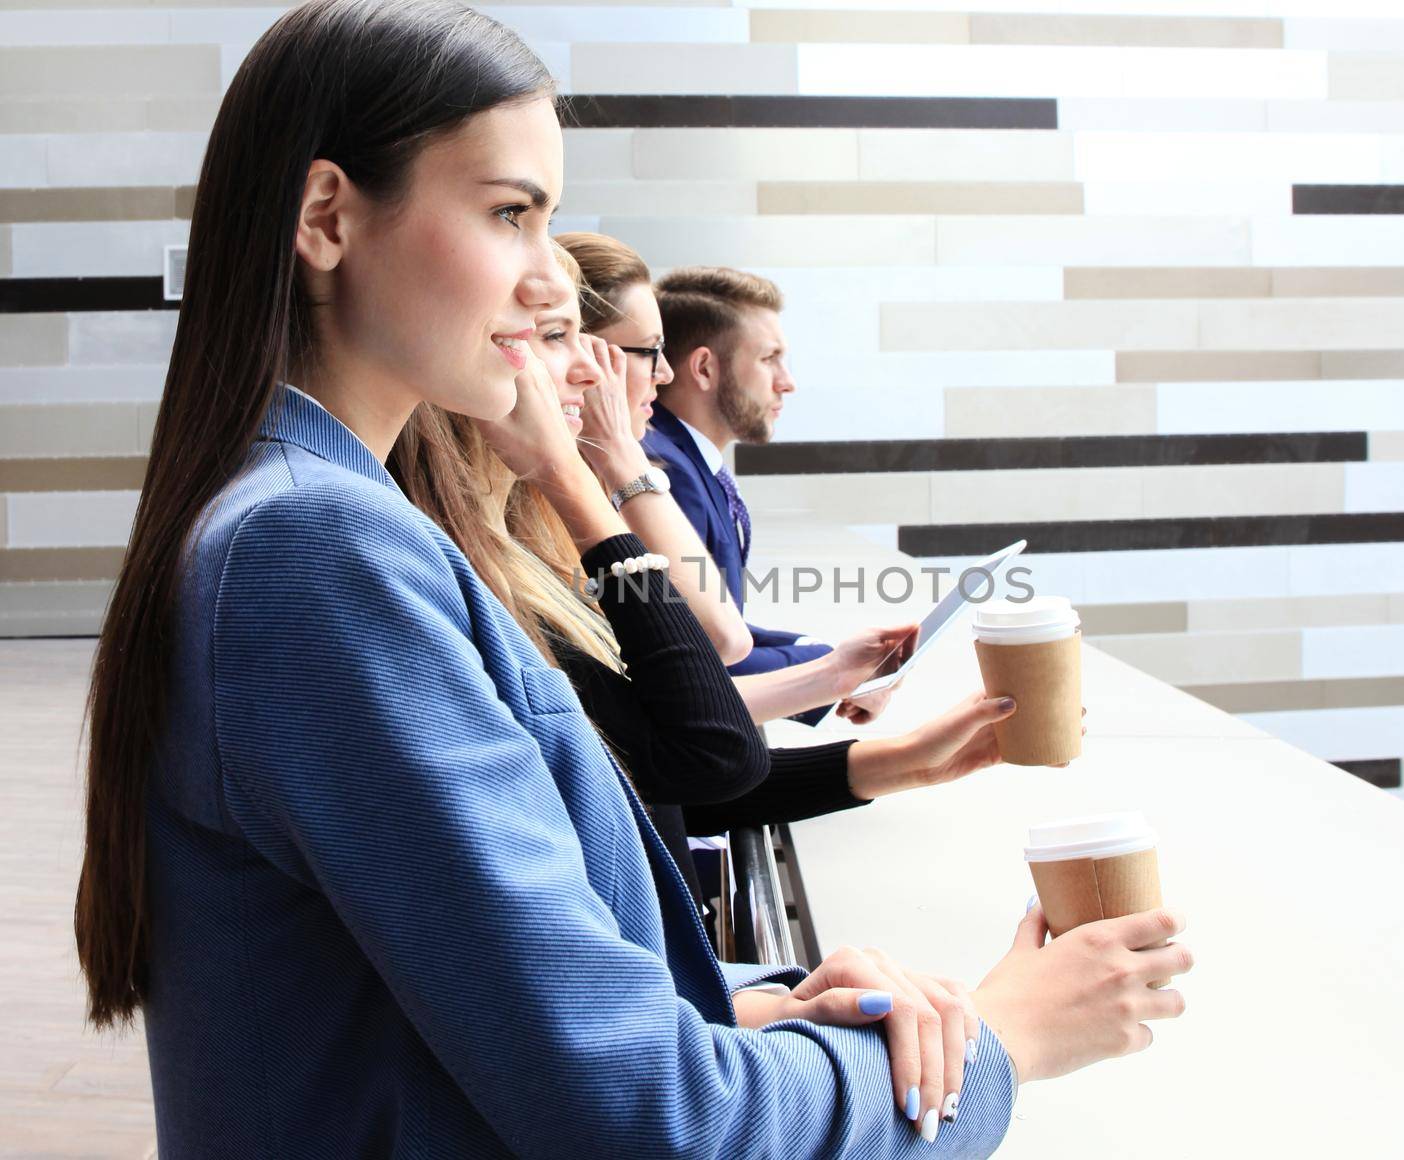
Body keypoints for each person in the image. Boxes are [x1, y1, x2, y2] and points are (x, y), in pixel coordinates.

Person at [74, 2, 1193, 1154]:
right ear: (327, 217)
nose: (540, 277)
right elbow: (647, 1116)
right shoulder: (316, 551)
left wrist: (772, 1000)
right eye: (509, 213)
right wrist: (1004, 1038)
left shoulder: (314, 518)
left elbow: (462, 990)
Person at [389, 242, 1040, 928]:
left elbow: (649, 771)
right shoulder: (526, 545)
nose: (601, 373)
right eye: (557, 336)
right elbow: (713, 696)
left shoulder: (531, 549)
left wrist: (901, 756)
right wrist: (594, 472)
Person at [560, 231, 908, 726]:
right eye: (769, 358)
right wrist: (831, 671)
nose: (787, 381)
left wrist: (830, 659)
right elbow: (709, 644)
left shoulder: (679, 460)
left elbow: (714, 633)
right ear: (704, 367)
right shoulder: (654, 471)